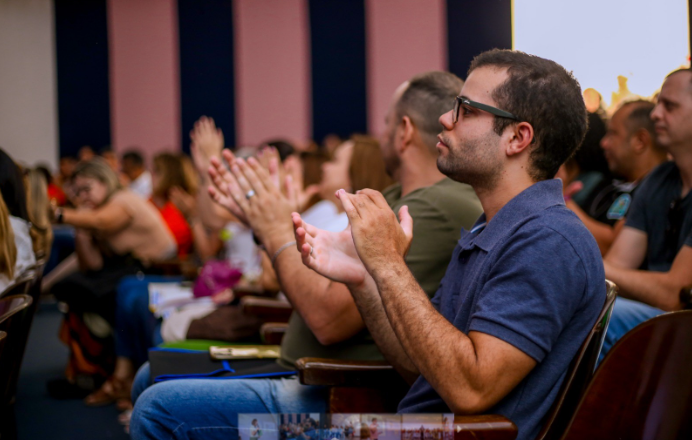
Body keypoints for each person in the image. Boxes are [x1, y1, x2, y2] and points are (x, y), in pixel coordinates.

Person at [130, 71, 483, 438]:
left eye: (386, 124)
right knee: (151, 376)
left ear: (404, 131)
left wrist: (273, 226)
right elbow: (318, 278)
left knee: (156, 409)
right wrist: (263, 220)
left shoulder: (429, 208)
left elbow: (326, 319)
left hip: (332, 395)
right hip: (305, 376)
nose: (381, 135)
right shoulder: (396, 197)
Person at [294, 50, 604, 440]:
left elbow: (470, 388)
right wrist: (366, 279)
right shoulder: (495, 227)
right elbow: (422, 365)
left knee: (218, 420)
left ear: (517, 138)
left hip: (438, 434)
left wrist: (389, 263)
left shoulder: (548, 240)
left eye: (466, 110)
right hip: (407, 430)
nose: (445, 118)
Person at [48, 158, 176, 397]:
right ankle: (90, 372)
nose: (83, 196)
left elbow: (101, 222)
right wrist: (46, 283)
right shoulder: (95, 212)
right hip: (130, 272)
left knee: (83, 290)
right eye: (77, 192)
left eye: (87, 188)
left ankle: (110, 373)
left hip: (157, 271)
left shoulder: (123, 200)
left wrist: (58, 214)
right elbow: (91, 264)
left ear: (105, 182)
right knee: (72, 289)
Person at [601, 69, 692, 355]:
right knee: (581, 307)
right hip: (653, 315)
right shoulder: (659, 179)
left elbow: (675, 296)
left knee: (600, 318)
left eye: (670, 106)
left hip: (681, 320)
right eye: (657, 103)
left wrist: (588, 263)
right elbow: (614, 273)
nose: (655, 114)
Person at [564, 100, 667, 254]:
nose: (603, 143)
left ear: (640, 141)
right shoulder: (608, 184)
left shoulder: (659, 192)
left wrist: (564, 200)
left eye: (613, 133)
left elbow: (611, 245)